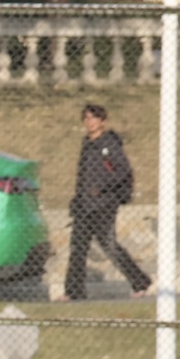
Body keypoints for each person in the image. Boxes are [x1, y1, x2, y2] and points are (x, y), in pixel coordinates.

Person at [60, 103, 151, 301]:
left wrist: (101, 187)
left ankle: (140, 282)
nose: (90, 122)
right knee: (78, 248)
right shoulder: (87, 144)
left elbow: (123, 171)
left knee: (109, 245)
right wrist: (78, 198)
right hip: (84, 205)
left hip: (103, 204)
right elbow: (83, 176)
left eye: (94, 118)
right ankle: (74, 291)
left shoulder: (109, 144)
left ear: (102, 121)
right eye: (86, 118)